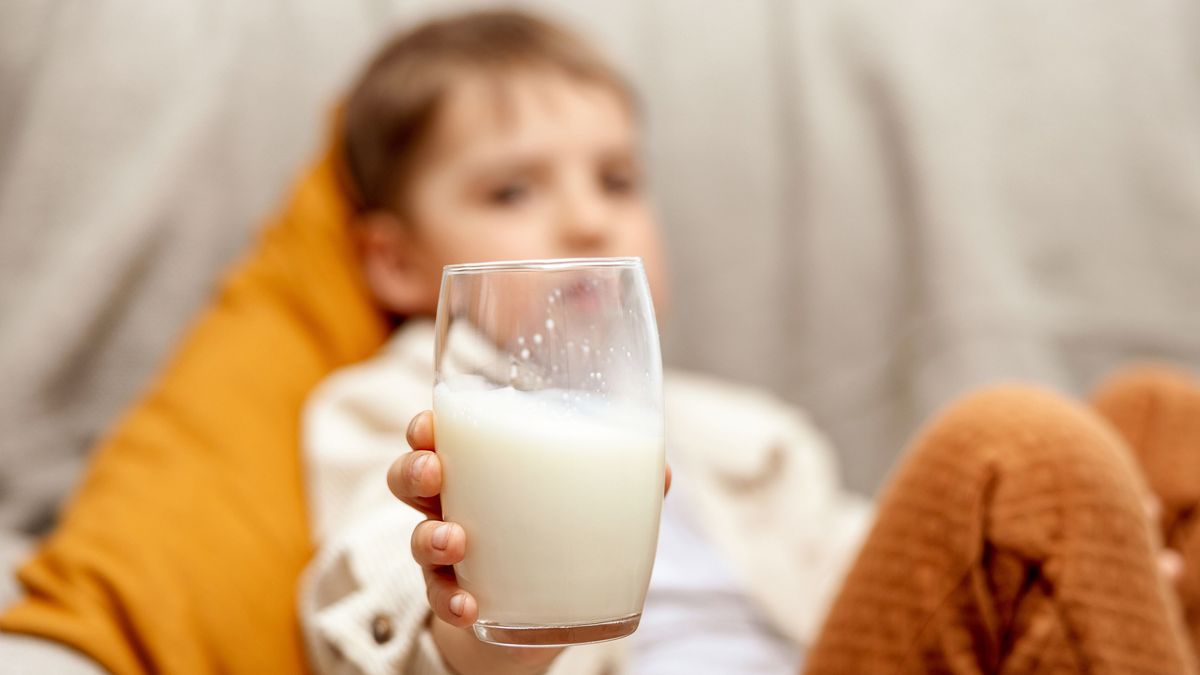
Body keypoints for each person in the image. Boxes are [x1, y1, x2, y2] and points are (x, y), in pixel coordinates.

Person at [300, 9, 1198, 675]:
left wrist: (1083, 558)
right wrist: (476, 624)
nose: (585, 217)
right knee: (1017, 451)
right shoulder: (391, 409)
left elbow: (875, 573)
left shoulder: (742, 434)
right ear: (396, 260)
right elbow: (372, 597)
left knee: (1156, 421)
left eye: (616, 179)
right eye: (512, 191)